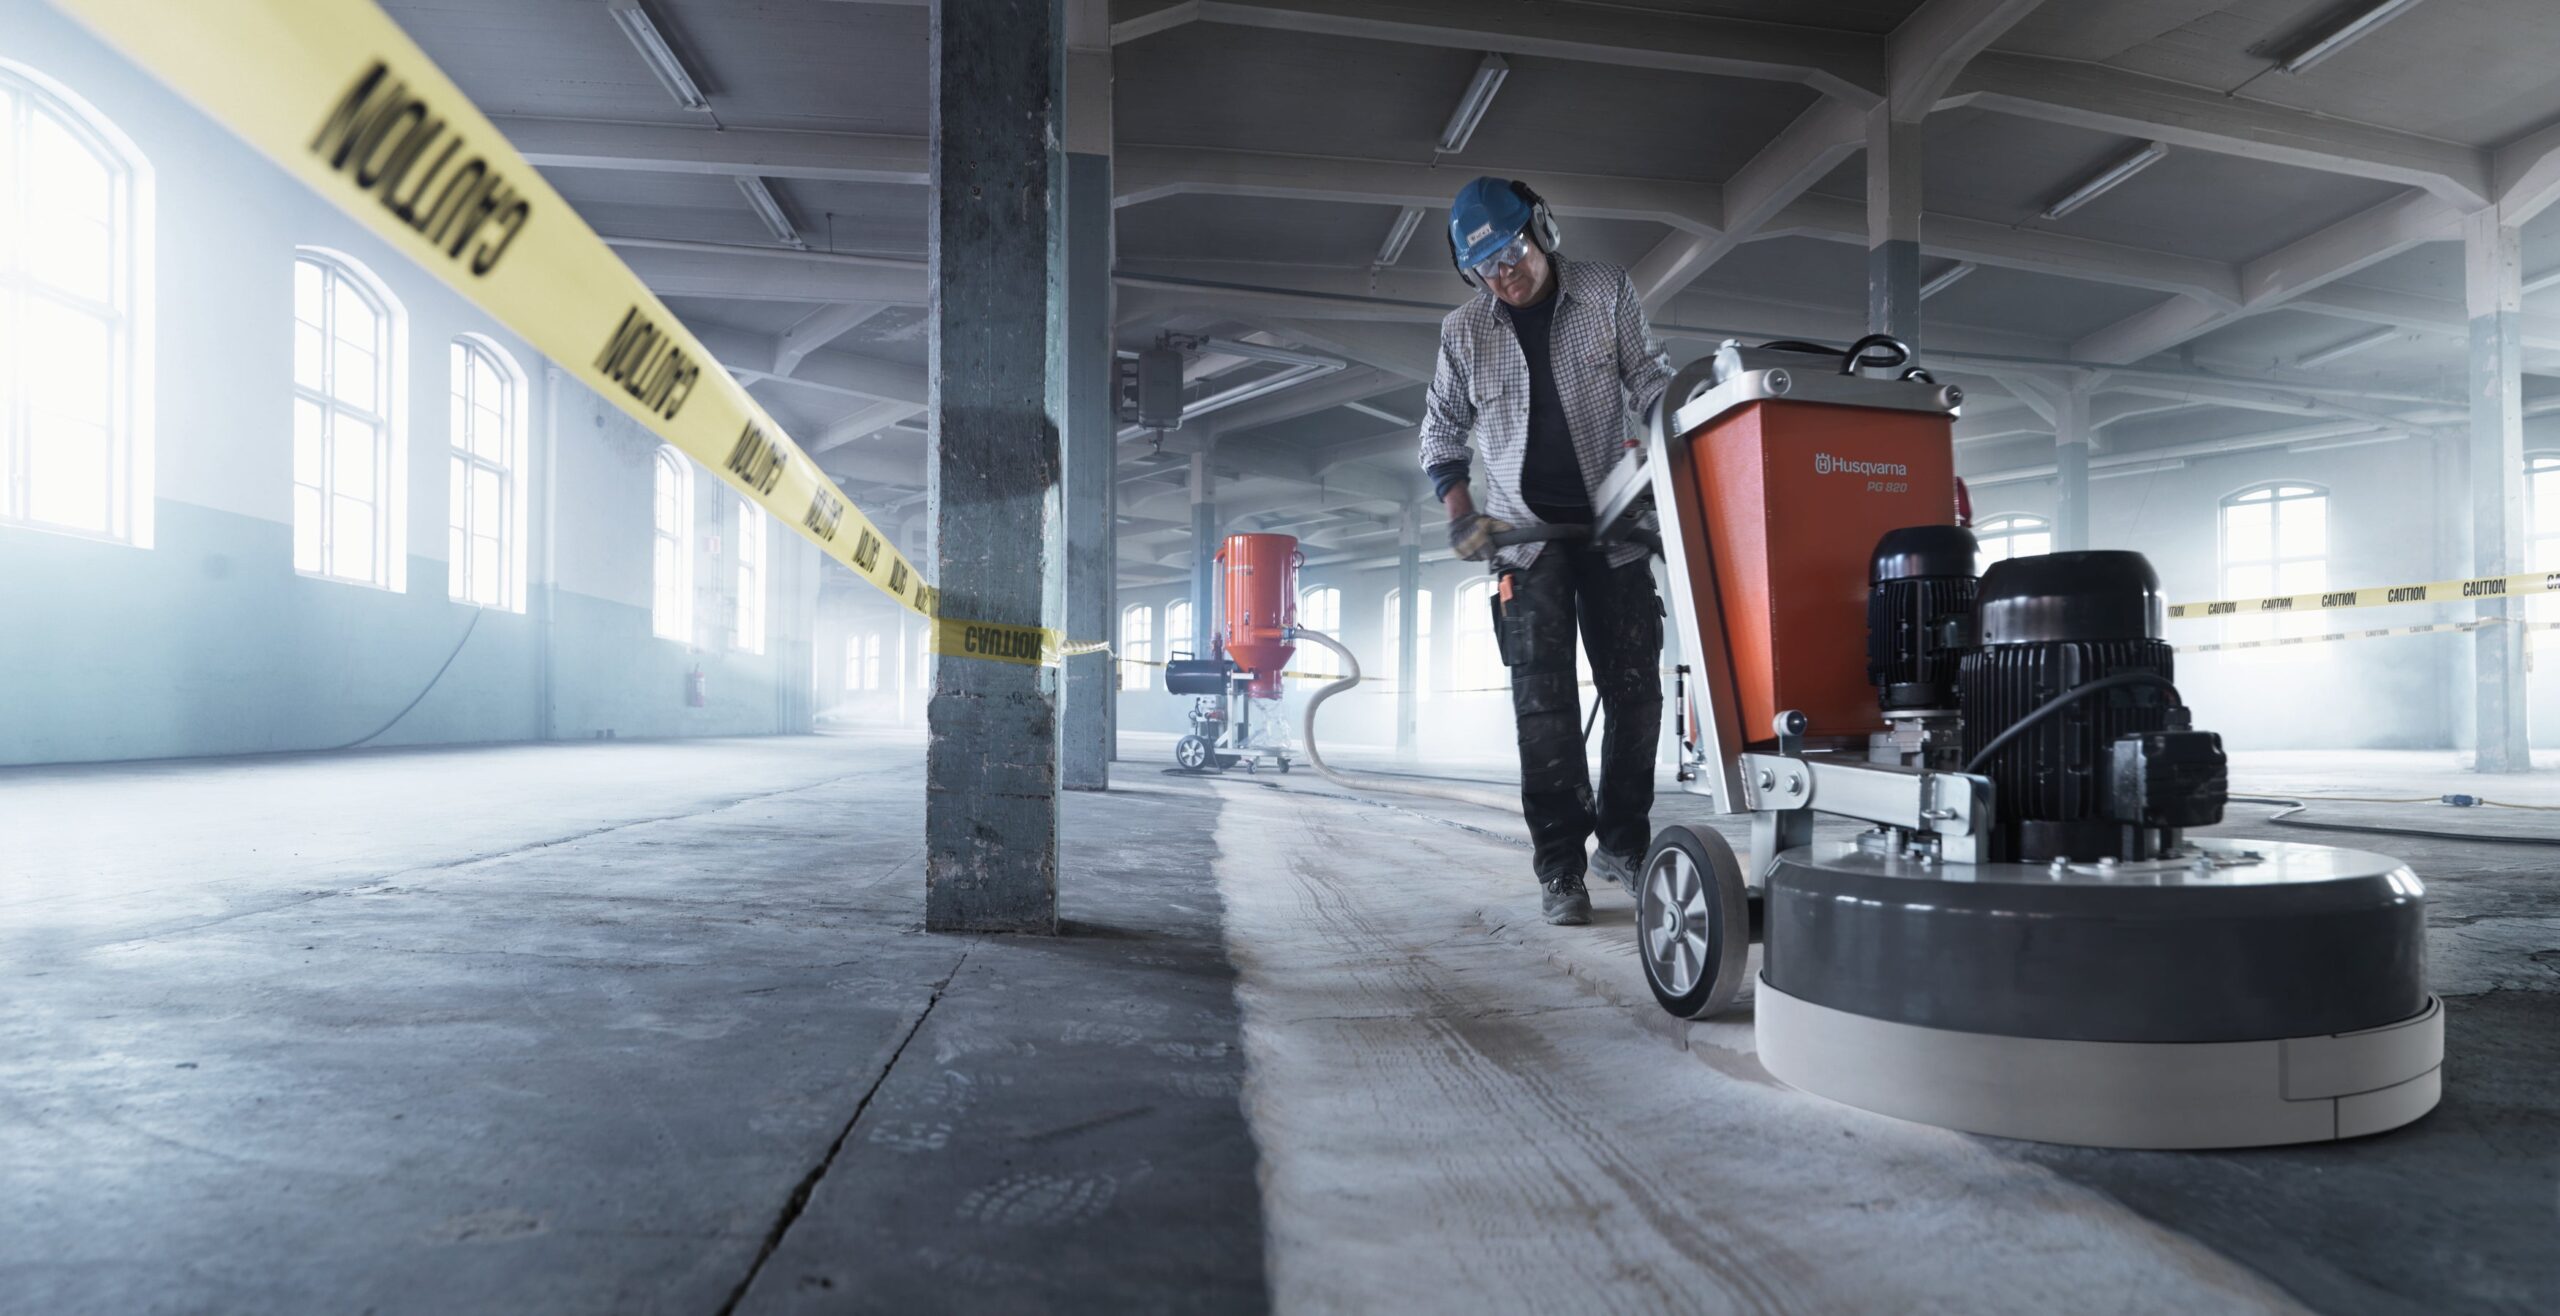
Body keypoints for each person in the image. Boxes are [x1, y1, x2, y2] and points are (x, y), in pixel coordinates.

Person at [1418, 177, 1673, 926]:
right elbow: (1439, 432)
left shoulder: (1607, 293)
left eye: (1513, 253)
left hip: (1615, 529)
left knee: (1637, 694)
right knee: (1545, 712)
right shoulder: (1464, 332)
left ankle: (1624, 843)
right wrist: (1461, 510)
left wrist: (1673, 443)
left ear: (1543, 230)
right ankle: (1561, 867)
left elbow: (1653, 380)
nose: (1505, 274)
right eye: (1487, 266)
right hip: (1527, 545)